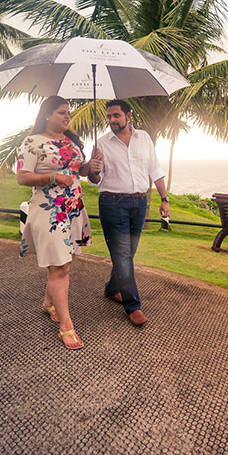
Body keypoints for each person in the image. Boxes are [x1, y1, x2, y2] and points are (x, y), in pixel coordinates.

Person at [16, 96, 103, 349]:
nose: (67, 117)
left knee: (64, 260)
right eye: (61, 112)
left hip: (73, 208)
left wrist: (90, 166)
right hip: (49, 210)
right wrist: (53, 177)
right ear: (47, 114)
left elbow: (78, 172)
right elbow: (23, 178)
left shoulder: (72, 142)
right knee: (61, 267)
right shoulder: (32, 142)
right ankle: (66, 326)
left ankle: (48, 303)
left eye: (68, 113)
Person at [87, 99, 169, 326]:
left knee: (128, 253)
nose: (112, 120)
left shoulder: (144, 138)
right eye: (109, 117)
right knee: (123, 255)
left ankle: (113, 288)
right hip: (112, 204)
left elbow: (155, 170)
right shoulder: (101, 144)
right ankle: (133, 306)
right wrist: (93, 168)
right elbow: (95, 181)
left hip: (140, 202)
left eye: (116, 116)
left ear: (128, 116)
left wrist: (164, 199)